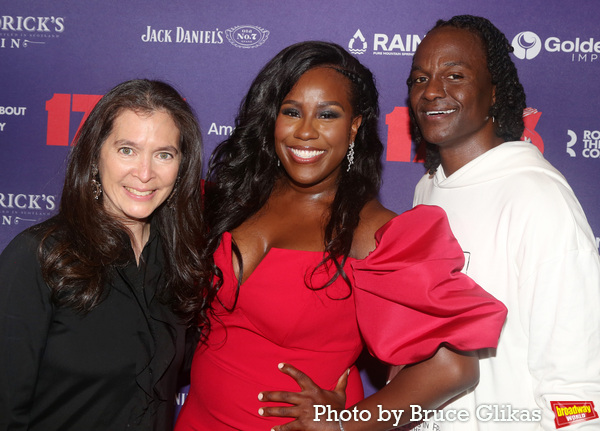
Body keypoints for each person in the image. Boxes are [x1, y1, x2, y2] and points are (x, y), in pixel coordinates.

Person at [174, 41, 507, 431]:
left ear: (354, 127)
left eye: (327, 115)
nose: (306, 132)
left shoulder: (371, 232)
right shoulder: (234, 197)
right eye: (292, 112)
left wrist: (348, 425)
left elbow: (454, 367)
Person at [408, 15, 600, 430]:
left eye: (454, 75)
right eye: (419, 79)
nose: (432, 91)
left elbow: (576, 382)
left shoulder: (538, 198)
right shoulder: (427, 191)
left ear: (494, 92)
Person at [0, 79, 209, 431]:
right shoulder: (39, 256)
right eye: (127, 149)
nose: (145, 174)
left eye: (163, 154)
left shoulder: (179, 261)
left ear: (181, 167)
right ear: (96, 155)